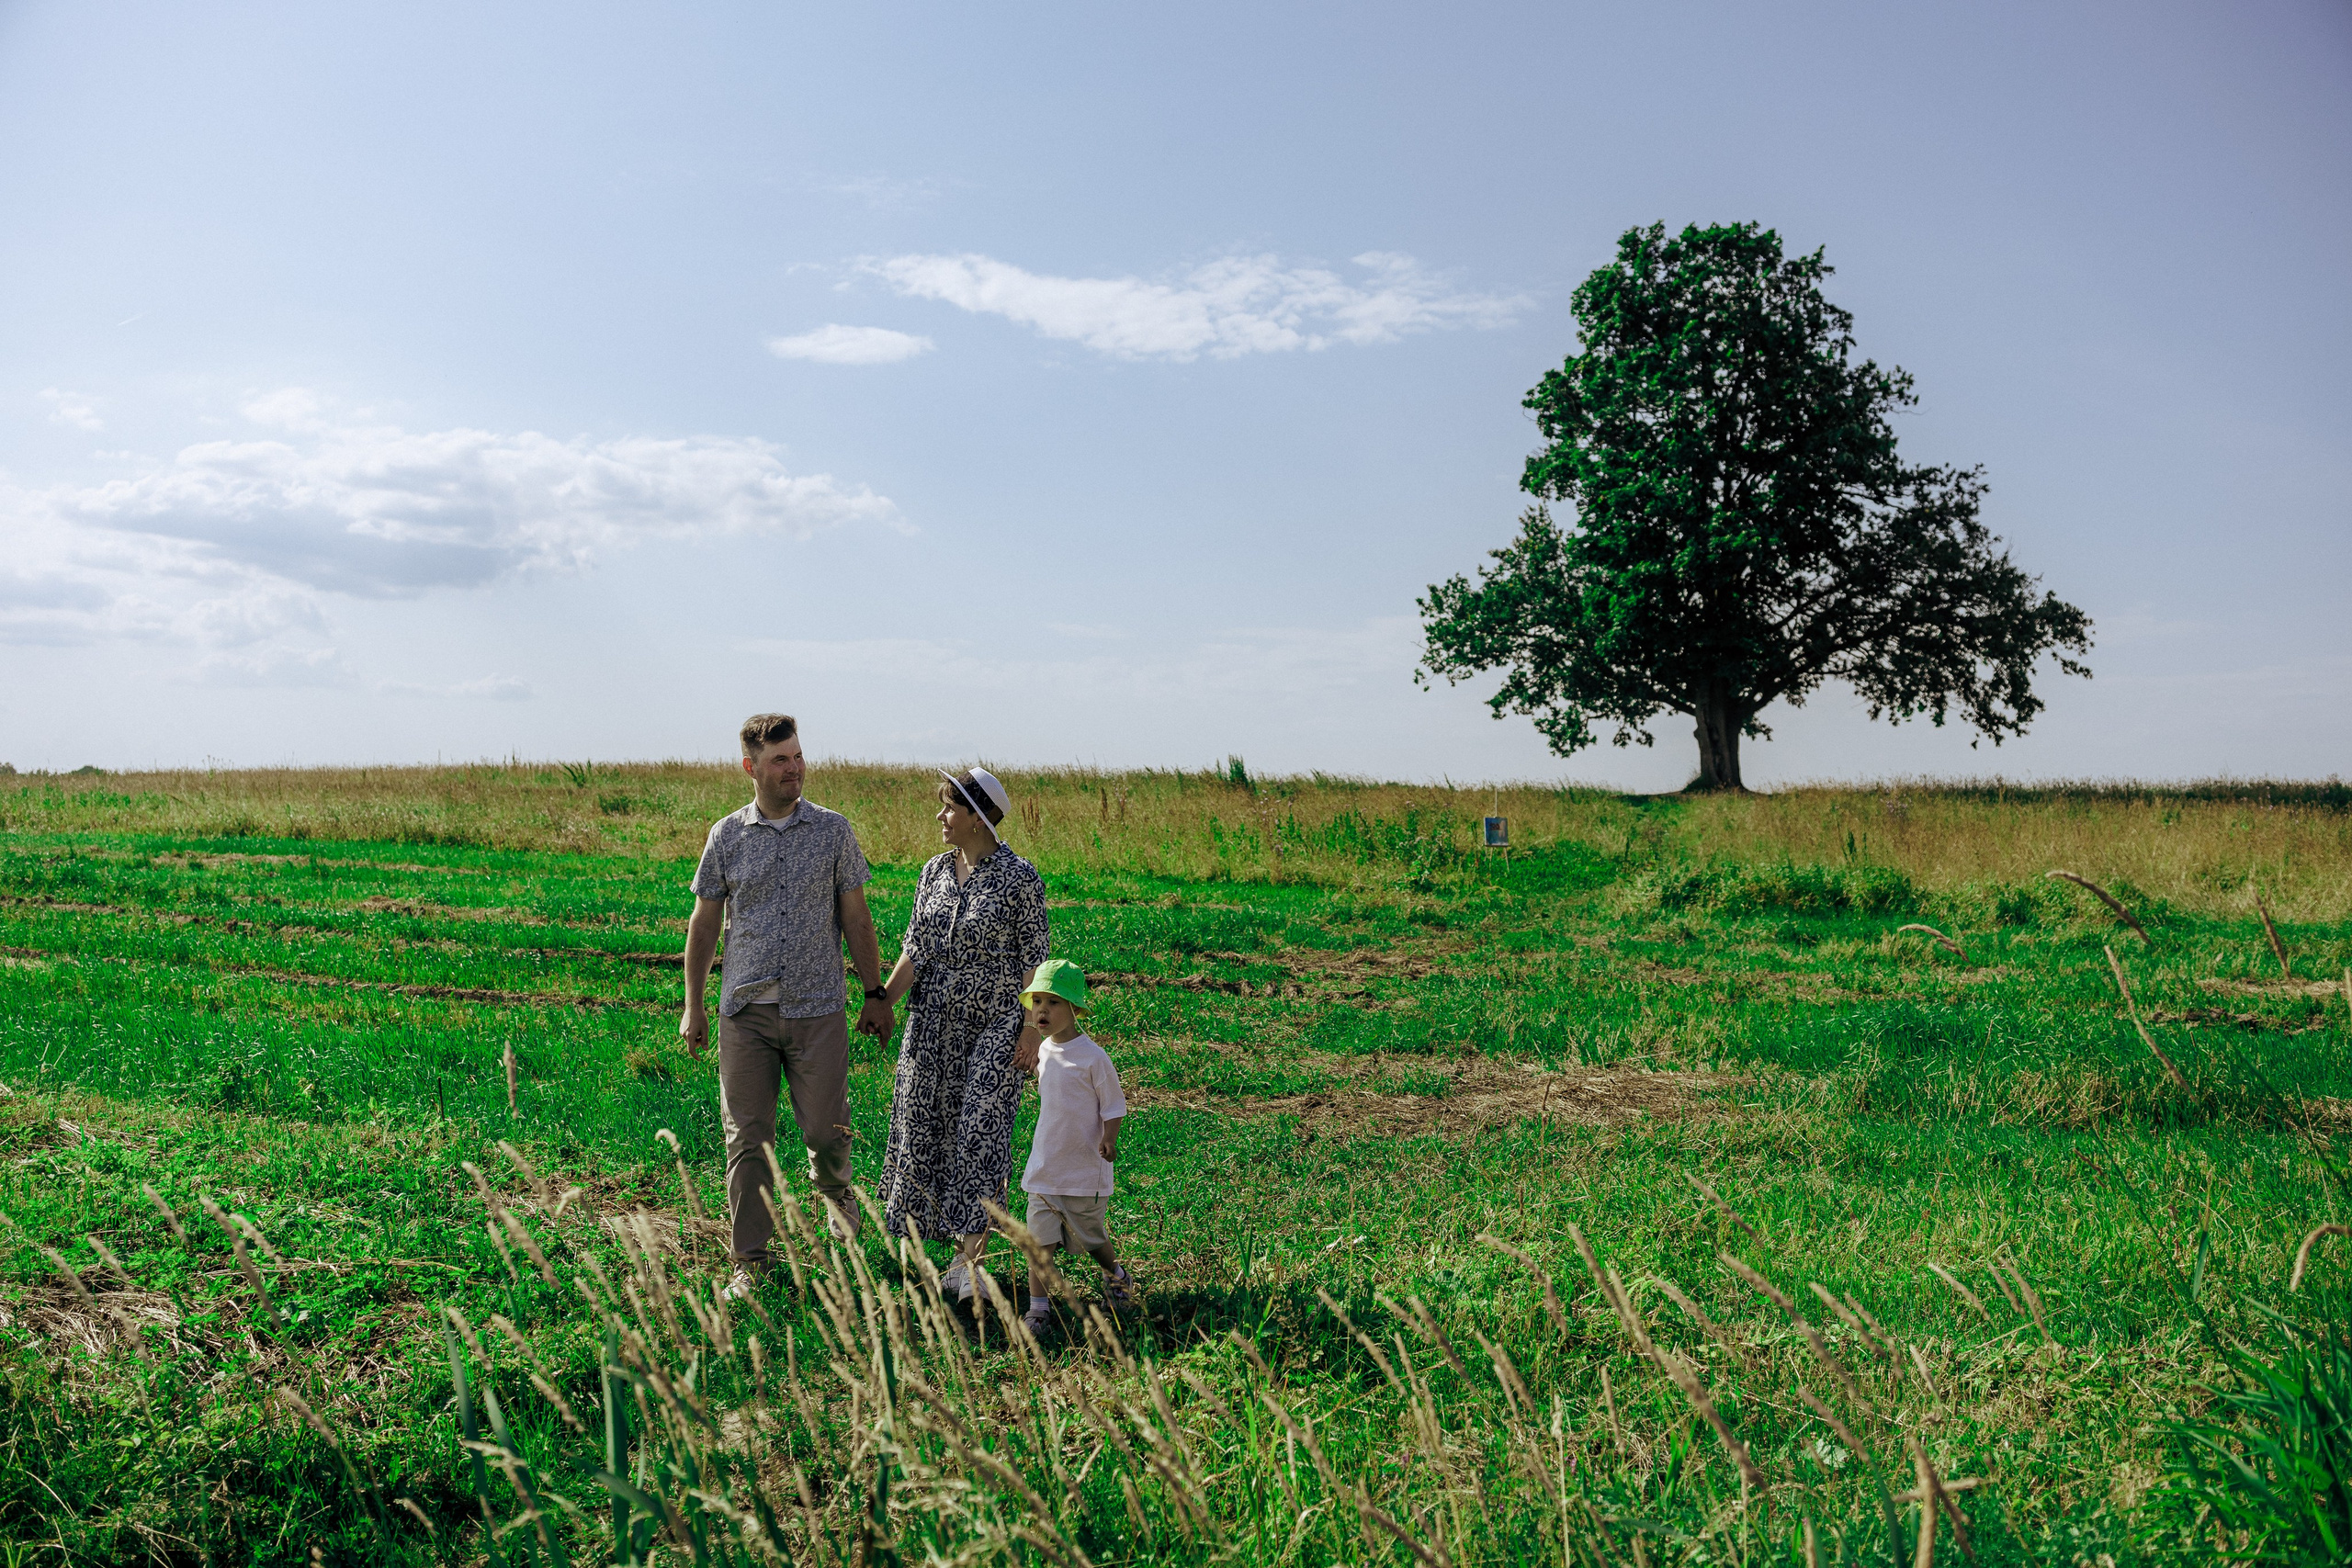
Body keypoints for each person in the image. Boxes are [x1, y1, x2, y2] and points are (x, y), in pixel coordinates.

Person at [681, 714, 894, 1301]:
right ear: (751, 767)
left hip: (818, 1007)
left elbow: (856, 916)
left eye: (798, 756)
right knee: (749, 1139)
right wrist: (694, 1006)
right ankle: (751, 1261)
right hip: (745, 1011)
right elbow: (703, 923)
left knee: (826, 1132)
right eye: (780, 760)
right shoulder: (726, 836)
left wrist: (875, 993)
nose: (794, 767)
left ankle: (835, 1192)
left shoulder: (831, 832)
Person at [874, 767, 1049, 1303]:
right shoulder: (934, 872)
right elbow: (916, 948)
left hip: (996, 1027)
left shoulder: (1020, 878)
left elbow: (1033, 961)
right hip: (931, 1027)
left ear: (977, 816)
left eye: (950, 807)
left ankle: (969, 1261)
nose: (940, 816)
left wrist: (1031, 1032)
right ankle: (924, 1245)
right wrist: (883, 1000)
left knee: (980, 1132)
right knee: (923, 1127)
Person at [1012, 960, 1136, 1333]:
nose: (1042, 1011)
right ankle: (1038, 1310)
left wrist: (1109, 1139)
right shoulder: (1043, 1052)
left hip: (1083, 1169)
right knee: (1038, 1244)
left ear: (1075, 1009)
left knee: (1092, 1238)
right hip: (1044, 1169)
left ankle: (1116, 1276)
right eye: (1037, 1002)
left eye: (1054, 1003)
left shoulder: (1093, 1058)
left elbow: (1114, 1105)